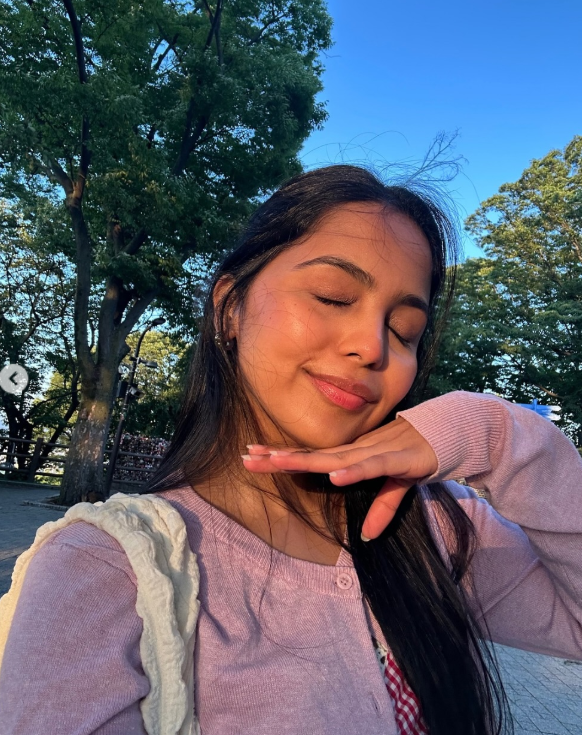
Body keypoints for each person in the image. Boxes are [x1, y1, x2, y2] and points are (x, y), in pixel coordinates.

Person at [0, 165, 581, 735]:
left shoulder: (438, 529)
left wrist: (497, 434)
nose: (371, 347)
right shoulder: (109, 571)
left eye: (403, 330)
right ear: (230, 307)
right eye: (333, 296)